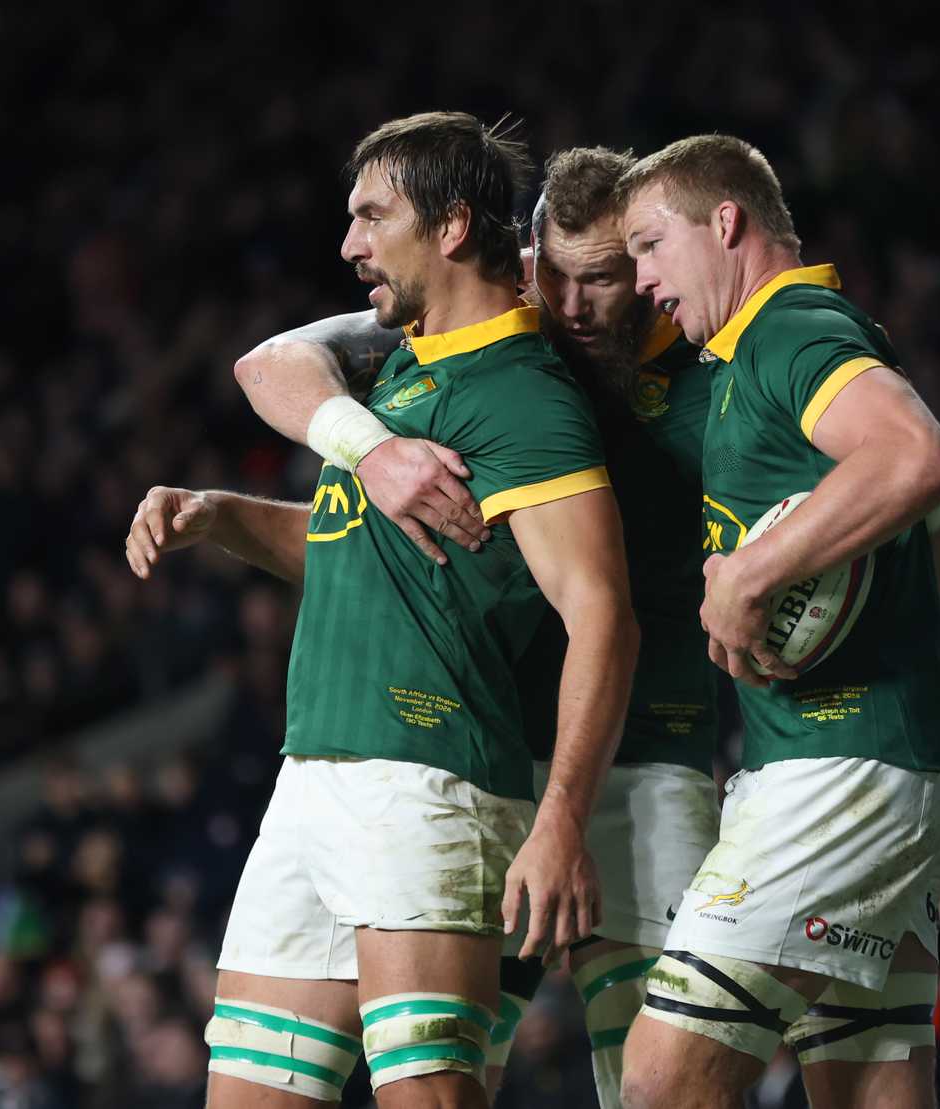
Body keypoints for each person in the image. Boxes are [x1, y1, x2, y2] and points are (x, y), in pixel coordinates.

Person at [125, 112, 639, 1109]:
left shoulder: (523, 395)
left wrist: (563, 816)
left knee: (429, 1096)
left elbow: (602, 613)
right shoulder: (402, 368)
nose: (350, 243)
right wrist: (225, 517)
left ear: (450, 228)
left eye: (371, 215)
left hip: (428, 783)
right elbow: (360, 550)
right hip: (313, 776)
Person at [233, 145, 722, 1109]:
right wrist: (363, 452)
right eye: (556, 274)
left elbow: (609, 612)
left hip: (639, 766)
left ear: (649, 270)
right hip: (499, 752)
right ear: (524, 255)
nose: (575, 305)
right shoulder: (461, 355)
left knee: (658, 1089)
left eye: (604, 279)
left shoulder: (711, 377)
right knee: (455, 1070)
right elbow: (275, 361)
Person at [616, 134, 940, 1109]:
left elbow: (914, 458)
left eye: (649, 245)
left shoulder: (792, 328)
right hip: (879, 758)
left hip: (841, 764)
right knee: (867, 1086)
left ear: (725, 221)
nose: (641, 280)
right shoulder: (743, 359)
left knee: (662, 1075)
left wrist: (748, 577)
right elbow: (937, 528)